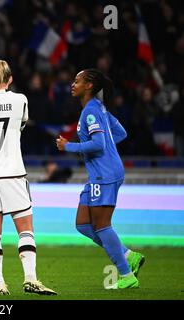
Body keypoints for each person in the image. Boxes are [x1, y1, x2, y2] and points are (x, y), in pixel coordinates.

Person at [0, 60, 57, 296]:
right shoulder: (21, 100)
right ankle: (31, 279)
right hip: (13, 171)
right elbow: (22, 125)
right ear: (11, 79)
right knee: (25, 229)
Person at [56, 69, 145, 289]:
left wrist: (69, 146)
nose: (72, 84)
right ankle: (127, 255)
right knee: (83, 225)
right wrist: (107, 148)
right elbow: (121, 133)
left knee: (102, 225)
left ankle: (126, 275)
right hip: (99, 173)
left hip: (104, 174)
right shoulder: (98, 108)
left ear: (89, 85)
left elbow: (98, 144)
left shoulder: (91, 112)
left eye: (77, 80)